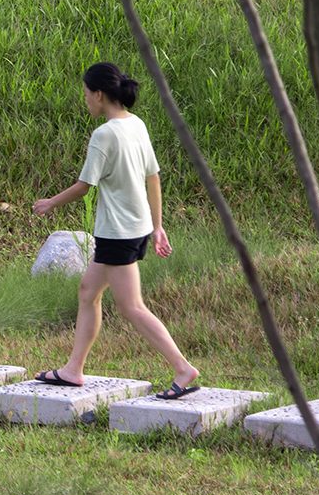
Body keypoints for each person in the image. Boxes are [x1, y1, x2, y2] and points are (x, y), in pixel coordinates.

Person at [32, 61, 200, 396]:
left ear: (99, 94)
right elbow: (153, 176)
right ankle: (73, 369)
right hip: (134, 227)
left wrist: (50, 202)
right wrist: (157, 226)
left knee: (131, 306)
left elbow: (84, 186)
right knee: (87, 292)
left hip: (118, 232)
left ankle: (183, 369)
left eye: (86, 95)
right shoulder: (135, 124)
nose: (85, 102)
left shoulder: (104, 134)